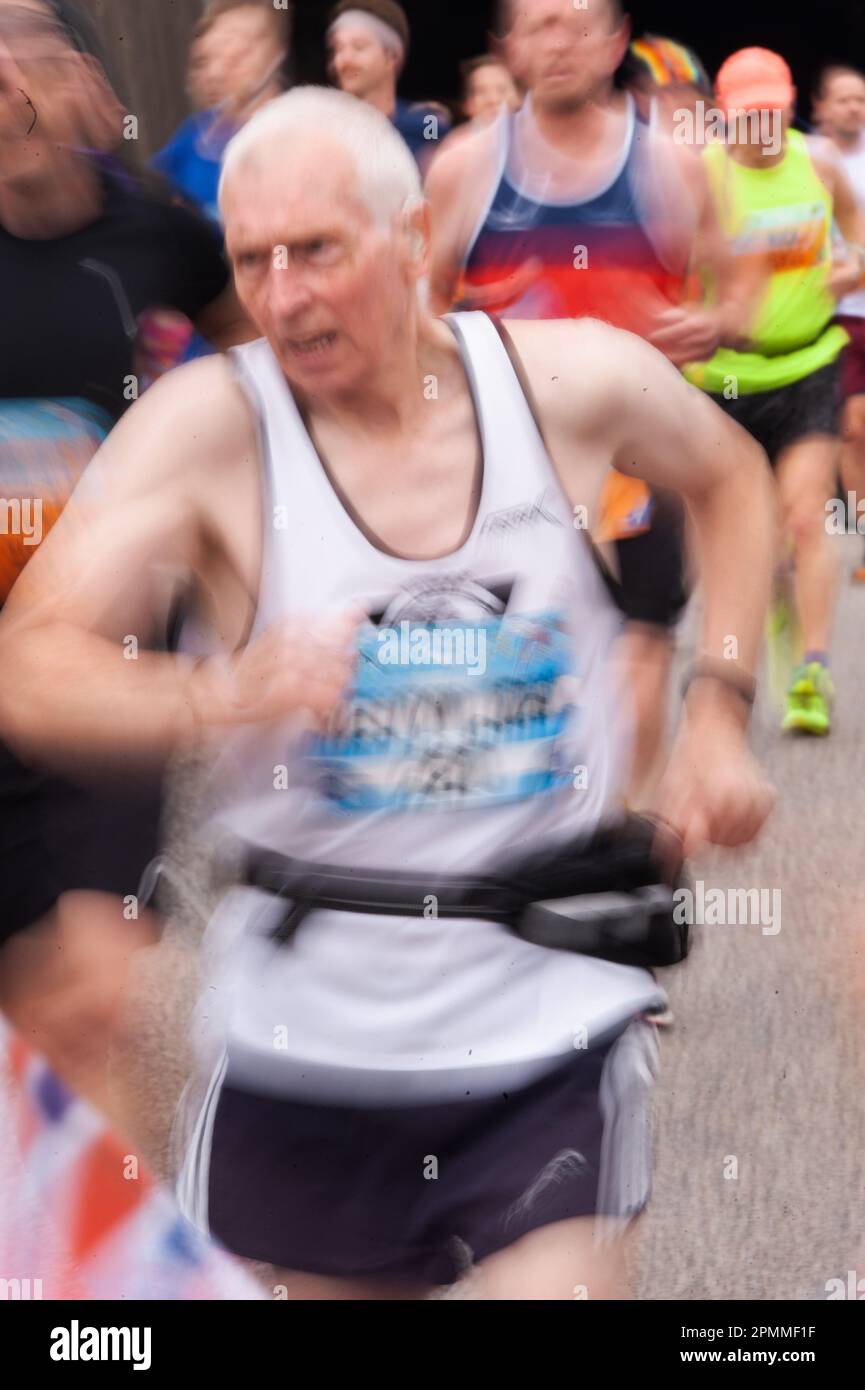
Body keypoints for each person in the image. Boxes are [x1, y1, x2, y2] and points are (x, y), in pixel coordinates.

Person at [0, 84, 775, 1300]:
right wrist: (218, 696)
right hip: (296, 1051)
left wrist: (718, 710)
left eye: (318, 249)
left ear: (414, 240)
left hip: (544, 1027)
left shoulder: (567, 387)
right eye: (254, 260)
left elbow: (732, 480)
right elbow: (27, 662)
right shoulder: (211, 432)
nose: (284, 296)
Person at [0, 0, 250, 1112]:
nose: (7, 85)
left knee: (96, 980)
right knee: (28, 992)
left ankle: (116, 1261)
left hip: (109, 669)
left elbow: (262, 356)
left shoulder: (163, 233)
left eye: (26, 57)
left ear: (93, 89)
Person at [424, 0, 728, 807]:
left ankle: (618, 830)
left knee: (643, 645)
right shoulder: (460, 168)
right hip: (506, 470)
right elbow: (412, 316)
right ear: (506, 46)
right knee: (511, 666)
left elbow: (738, 290)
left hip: (638, 465)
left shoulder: (674, 167)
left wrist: (713, 322)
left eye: (577, 20)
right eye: (538, 23)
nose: (558, 40)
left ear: (615, 41)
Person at [683, 48, 865, 735]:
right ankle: (772, 617)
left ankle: (811, 670)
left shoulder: (818, 166)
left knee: (802, 519)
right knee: (751, 540)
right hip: (725, 377)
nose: (757, 132)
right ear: (721, 119)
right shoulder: (695, 179)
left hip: (809, 362)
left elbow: (860, 246)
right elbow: (667, 281)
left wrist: (850, 273)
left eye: (768, 115)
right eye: (742, 119)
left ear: (786, 109)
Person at [153, 0, 291, 223]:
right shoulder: (192, 140)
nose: (215, 72)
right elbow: (150, 193)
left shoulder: (301, 135)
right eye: (205, 60)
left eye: (238, 55)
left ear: (276, 54)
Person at [812, 64, 865, 581]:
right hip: (832, 316)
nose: (854, 107)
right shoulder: (801, 156)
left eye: (861, 99)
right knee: (852, 431)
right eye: (844, 99)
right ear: (821, 105)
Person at [327, 0, 451, 168]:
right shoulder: (325, 132)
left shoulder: (426, 128)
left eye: (359, 47)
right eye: (339, 48)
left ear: (391, 56)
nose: (344, 60)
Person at [460, 55, 521, 126]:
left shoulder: (531, 135)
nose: (493, 99)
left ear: (519, 98)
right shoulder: (457, 136)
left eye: (501, 90)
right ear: (468, 105)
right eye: (481, 92)